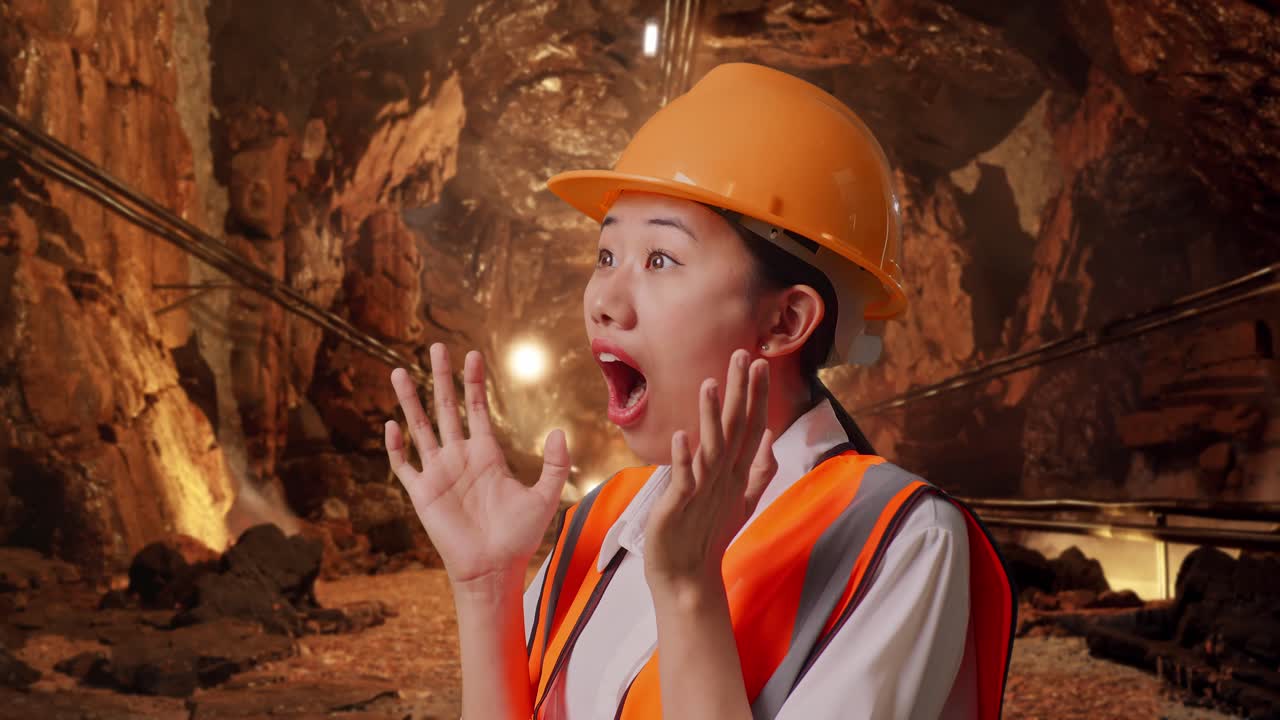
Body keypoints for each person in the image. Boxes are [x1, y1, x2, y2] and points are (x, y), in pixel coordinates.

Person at [385, 63, 1015, 720]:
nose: (603, 300)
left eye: (660, 259)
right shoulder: (603, 520)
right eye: (607, 256)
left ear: (785, 321)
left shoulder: (899, 539)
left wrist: (690, 592)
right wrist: (487, 587)